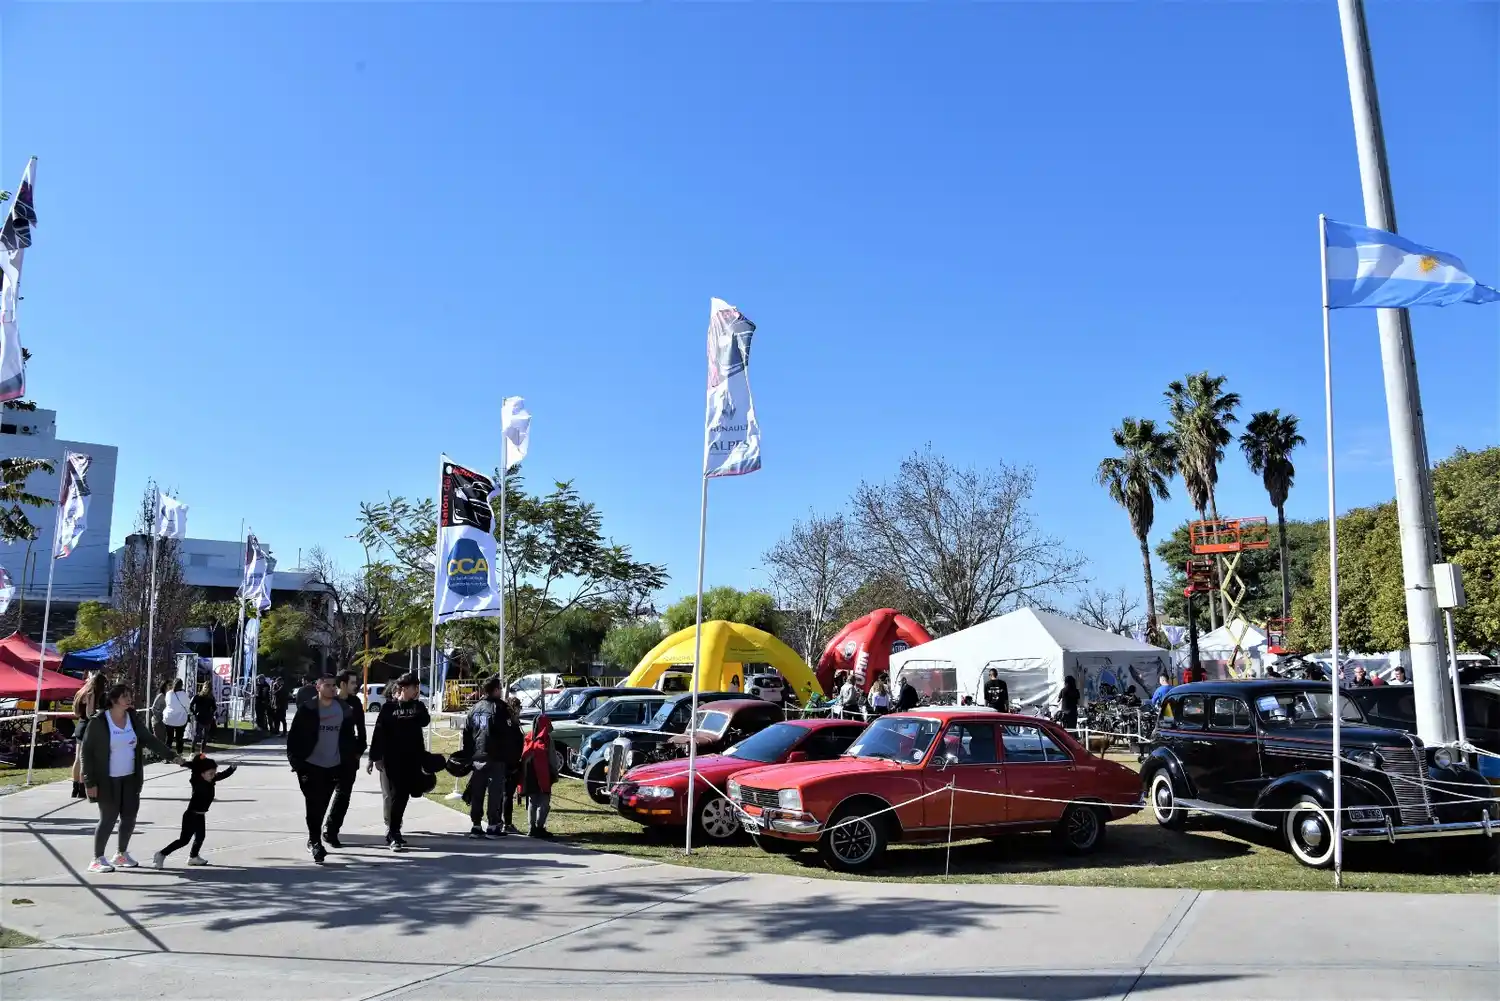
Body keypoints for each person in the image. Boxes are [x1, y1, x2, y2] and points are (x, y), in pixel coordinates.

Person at [80, 683, 185, 873]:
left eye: (130, 695)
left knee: (129, 817)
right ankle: (97, 859)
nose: (129, 699)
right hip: (107, 780)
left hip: (130, 778)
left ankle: (121, 854)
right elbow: (86, 753)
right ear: (113, 700)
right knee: (108, 818)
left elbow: (149, 740)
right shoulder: (98, 722)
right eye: (124, 696)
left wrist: (172, 756)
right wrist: (89, 781)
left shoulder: (132, 718)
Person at [287, 675, 359, 863]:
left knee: (323, 804)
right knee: (313, 804)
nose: (332, 689)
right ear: (318, 688)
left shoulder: (343, 709)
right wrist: (297, 764)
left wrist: (350, 758)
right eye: (327, 685)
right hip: (310, 766)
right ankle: (315, 841)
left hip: (334, 765)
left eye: (334, 686)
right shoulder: (308, 709)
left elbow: (348, 736)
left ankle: (314, 838)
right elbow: (294, 738)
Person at [368, 673, 429, 851]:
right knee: (397, 795)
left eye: (417, 687)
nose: (416, 690)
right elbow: (379, 732)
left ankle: (394, 830)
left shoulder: (418, 706)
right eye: (414, 687)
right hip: (393, 758)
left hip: (413, 757)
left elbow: (425, 721)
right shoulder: (388, 708)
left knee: (405, 795)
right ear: (404, 688)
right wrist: (375, 757)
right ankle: (393, 832)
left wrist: (416, 706)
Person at [153, 754, 236, 868]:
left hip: (200, 815)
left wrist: (231, 769)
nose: (213, 775)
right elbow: (195, 767)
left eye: (214, 773)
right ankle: (161, 854)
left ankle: (193, 857)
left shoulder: (211, 779)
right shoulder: (197, 781)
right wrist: (185, 763)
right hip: (191, 816)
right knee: (184, 841)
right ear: (202, 773)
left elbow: (222, 775)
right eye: (211, 773)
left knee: (200, 837)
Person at [320, 670, 369, 849]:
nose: (356, 686)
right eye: (353, 683)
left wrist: (359, 750)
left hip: (349, 756)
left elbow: (361, 729)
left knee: (343, 795)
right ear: (342, 684)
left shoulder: (355, 703)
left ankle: (331, 830)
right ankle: (315, 831)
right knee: (324, 794)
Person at [461, 677, 508, 838]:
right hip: (495, 756)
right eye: (500, 688)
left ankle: (476, 825)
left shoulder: (474, 708)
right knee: (495, 792)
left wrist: (468, 754)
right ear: (495, 690)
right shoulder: (500, 707)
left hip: (477, 755)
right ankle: (493, 825)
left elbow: (467, 733)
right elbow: (506, 734)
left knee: (477, 791)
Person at [71, 673, 108, 799]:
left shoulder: (81, 692)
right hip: (87, 727)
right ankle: (82, 788)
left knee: (77, 759)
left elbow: (77, 712)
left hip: (80, 725)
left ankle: (75, 788)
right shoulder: (91, 694)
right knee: (85, 760)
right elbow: (89, 713)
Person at [518, 714, 555, 837]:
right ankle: (539, 827)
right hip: (542, 775)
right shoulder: (547, 740)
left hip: (530, 775)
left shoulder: (528, 738)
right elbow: (552, 759)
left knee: (533, 801)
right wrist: (554, 773)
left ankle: (532, 827)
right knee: (543, 802)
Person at [499, 696, 525, 834]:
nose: (520, 710)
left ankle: (499, 821)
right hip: (509, 764)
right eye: (518, 708)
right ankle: (506, 823)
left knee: (503, 794)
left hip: (506, 763)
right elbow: (512, 746)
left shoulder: (508, 723)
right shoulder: (510, 725)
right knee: (507, 794)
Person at [161, 679, 191, 755]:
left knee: (169, 738)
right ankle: (179, 754)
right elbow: (188, 706)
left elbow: (167, 703)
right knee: (179, 738)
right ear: (181, 685)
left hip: (169, 718)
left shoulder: (169, 693)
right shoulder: (184, 694)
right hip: (181, 719)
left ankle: (167, 755)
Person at [190, 682, 216, 753]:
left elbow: (214, 707)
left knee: (205, 737)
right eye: (205, 687)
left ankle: (202, 752)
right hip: (198, 719)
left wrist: (211, 713)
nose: (206, 689)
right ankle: (192, 751)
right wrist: (194, 713)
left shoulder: (211, 698)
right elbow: (190, 705)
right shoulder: (197, 696)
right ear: (202, 687)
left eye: (208, 688)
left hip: (207, 719)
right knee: (196, 736)